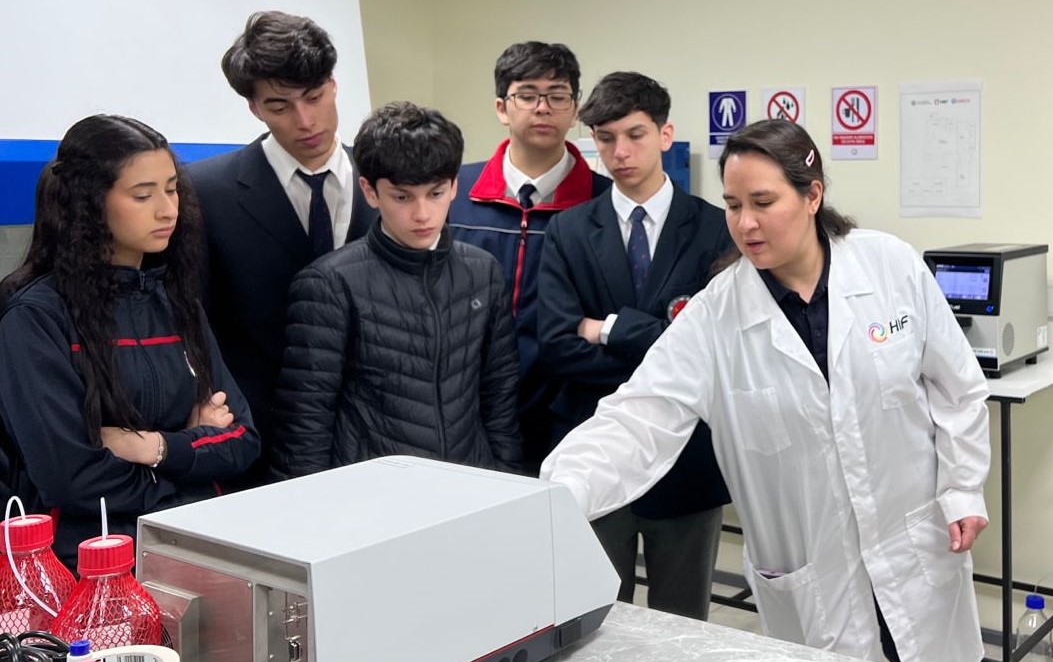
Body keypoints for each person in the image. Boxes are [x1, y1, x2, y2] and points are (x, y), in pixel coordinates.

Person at [542, 119, 990, 662]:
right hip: (814, 576)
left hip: (913, 546)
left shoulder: (890, 265)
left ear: (812, 195)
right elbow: (639, 417)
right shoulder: (715, 314)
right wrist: (559, 494)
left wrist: (963, 487)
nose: (744, 224)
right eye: (731, 205)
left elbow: (957, 387)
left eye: (762, 201)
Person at [0, 116, 259, 568]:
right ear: (90, 204)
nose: (167, 209)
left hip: (192, 554)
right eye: (143, 195)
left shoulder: (177, 302)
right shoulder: (36, 318)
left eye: (172, 188)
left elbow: (243, 440)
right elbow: (72, 478)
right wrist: (194, 457)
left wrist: (154, 447)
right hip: (85, 574)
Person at [536, 72, 732, 620]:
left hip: (687, 458)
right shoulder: (569, 232)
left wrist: (608, 328)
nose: (619, 152)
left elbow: (715, 355)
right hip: (594, 444)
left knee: (685, 624)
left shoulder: (718, 231)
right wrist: (665, 340)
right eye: (604, 138)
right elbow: (556, 345)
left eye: (635, 134)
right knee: (593, 620)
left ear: (666, 134)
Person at [271, 103, 523, 476]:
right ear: (370, 192)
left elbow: (500, 396)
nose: (422, 214)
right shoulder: (329, 283)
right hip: (372, 493)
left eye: (435, 194)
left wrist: (507, 483)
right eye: (402, 197)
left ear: (454, 186)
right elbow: (306, 419)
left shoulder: (483, 271)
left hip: (470, 484)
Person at [188, 12, 374, 482]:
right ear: (254, 108)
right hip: (258, 443)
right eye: (279, 106)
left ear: (333, 85)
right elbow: (193, 321)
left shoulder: (389, 180)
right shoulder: (205, 192)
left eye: (315, 97)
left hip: (380, 437)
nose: (305, 121)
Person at [449, 41, 611, 473]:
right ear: (503, 107)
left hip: (566, 416)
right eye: (527, 95)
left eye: (558, 96)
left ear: (574, 109)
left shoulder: (604, 206)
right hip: (466, 409)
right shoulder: (451, 193)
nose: (543, 108)